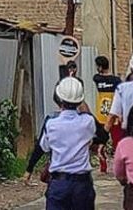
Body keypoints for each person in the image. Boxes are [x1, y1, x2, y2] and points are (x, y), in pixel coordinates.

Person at [40, 77, 97, 210]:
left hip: (59, 183)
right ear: (80, 99)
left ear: (59, 98)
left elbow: (44, 146)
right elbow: (92, 128)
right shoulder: (87, 122)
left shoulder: (51, 124)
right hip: (82, 184)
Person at [92, 55, 122, 172]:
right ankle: (119, 165)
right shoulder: (116, 81)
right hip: (114, 114)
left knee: (101, 140)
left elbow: (97, 76)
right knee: (117, 142)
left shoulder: (97, 79)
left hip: (101, 114)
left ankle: (103, 165)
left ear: (100, 67)